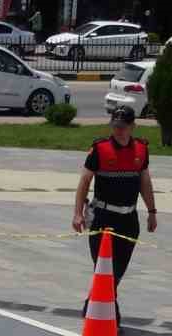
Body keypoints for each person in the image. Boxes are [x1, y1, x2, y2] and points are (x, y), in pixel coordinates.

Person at [73, 107, 156, 325]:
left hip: (129, 220)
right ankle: (111, 316)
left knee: (118, 270)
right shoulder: (99, 149)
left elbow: (145, 183)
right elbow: (84, 181)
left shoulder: (141, 149)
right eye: (116, 126)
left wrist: (152, 211)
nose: (119, 130)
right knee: (104, 269)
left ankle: (93, 302)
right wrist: (77, 214)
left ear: (132, 127)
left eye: (123, 126)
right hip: (103, 219)